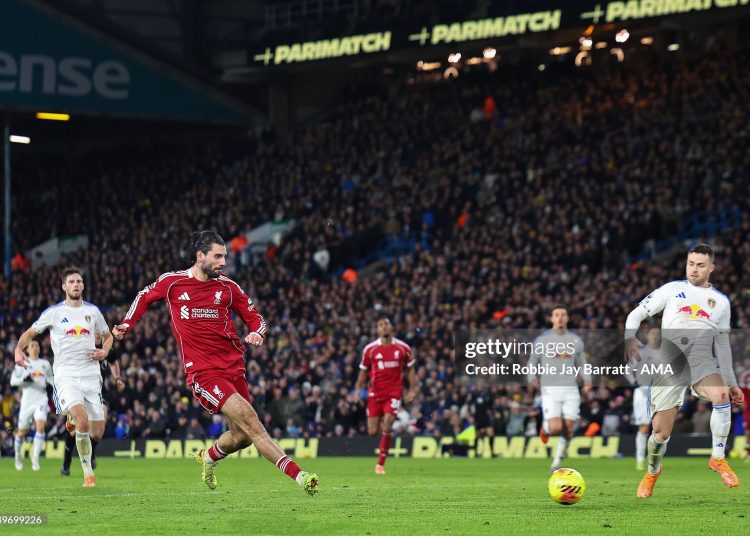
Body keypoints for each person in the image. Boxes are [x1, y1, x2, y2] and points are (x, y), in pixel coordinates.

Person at [112, 230, 318, 496]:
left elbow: (256, 318)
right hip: (203, 372)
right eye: (217, 256)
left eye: (225, 256)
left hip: (234, 367)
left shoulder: (229, 288)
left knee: (243, 436)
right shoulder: (173, 282)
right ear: (200, 256)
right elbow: (143, 296)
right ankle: (300, 476)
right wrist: (127, 323)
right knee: (251, 421)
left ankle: (209, 456)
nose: (223, 262)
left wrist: (257, 332)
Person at [625, 244, 744, 497]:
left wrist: (732, 382)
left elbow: (722, 345)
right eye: (691, 263)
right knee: (660, 432)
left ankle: (718, 457)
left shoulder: (721, 302)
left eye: (701, 265)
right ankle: (652, 470)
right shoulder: (672, 289)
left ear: (712, 267)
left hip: (702, 359)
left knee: (721, 396)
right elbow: (637, 314)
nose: (694, 269)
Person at [14, 267, 113, 487]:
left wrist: (105, 351)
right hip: (66, 374)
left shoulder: (93, 311)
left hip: (90, 374)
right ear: (64, 286)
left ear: (83, 285)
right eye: (71, 282)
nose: (76, 284)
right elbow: (30, 333)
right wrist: (17, 350)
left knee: (97, 430)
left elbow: (107, 336)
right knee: (82, 420)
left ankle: (72, 418)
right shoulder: (54, 313)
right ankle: (88, 474)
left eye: (79, 281)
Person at [527, 305, 592, 472]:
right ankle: (546, 429)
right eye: (557, 315)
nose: (560, 318)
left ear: (567, 318)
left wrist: (587, 380)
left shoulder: (576, 340)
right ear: (552, 319)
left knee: (569, 428)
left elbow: (582, 363)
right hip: (550, 389)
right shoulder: (542, 340)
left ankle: (556, 463)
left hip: (571, 389)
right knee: (556, 427)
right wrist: (532, 378)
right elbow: (532, 363)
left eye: (563, 314)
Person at [355, 314, 417, 474]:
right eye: (380, 325)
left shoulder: (405, 349)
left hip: (394, 392)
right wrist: (357, 390)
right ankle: (382, 417)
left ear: (391, 327)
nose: (383, 327)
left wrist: (412, 389)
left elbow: (410, 368)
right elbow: (363, 371)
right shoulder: (369, 349)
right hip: (375, 393)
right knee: (372, 431)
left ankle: (380, 464)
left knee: (388, 424)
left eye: (386, 324)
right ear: (377, 329)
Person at [61, 349, 125, 476]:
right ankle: (66, 464)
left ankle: (92, 454)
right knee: (74, 431)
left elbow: (113, 361)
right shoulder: (80, 344)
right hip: (79, 390)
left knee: (98, 431)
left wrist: (117, 377)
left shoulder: (106, 348)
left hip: (99, 392)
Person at [10, 339, 52, 471]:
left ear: (39, 348)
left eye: (37, 345)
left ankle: (35, 458)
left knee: (40, 425)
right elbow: (13, 382)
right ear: (27, 350)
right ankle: (18, 456)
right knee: (21, 432)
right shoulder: (22, 363)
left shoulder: (45, 364)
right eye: (32, 346)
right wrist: (24, 379)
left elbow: (51, 379)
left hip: (41, 399)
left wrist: (54, 385)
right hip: (27, 400)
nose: (35, 347)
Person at [626, 327, 660, 470]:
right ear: (647, 335)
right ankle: (640, 457)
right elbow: (628, 370)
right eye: (653, 333)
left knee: (659, 427)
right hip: (643, 392)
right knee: (644, 426)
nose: (656, 336)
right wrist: (635, 383)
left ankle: (655, 458)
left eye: (658, 333)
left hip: (660, 392)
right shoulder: (641, 352)